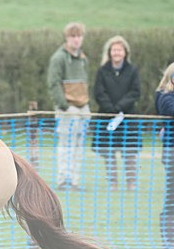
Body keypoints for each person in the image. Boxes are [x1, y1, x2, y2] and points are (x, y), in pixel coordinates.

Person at [91, 36, 142, 191]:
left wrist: (120, 107)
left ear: (125, 52)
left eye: (120, 50)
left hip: (128, 118)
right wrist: (111, 109)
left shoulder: (132, 71)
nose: (117, 53)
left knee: (130, 152)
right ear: (110, 52)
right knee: (109, 152)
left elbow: (135, 92)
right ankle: (113, 182)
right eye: (114, 50)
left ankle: (131, 182)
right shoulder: (102, 71)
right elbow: (99, 92)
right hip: (107, 118)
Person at [48, 22, 90, 191]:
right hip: (67, 108)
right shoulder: (59, 57)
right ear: (67, 38)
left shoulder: (83, 58)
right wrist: (64, 106)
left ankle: (74, 181)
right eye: (73, 36)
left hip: (83, 108)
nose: (76, 39)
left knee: (79, 145)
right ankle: (63, 180)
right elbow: (53, 83)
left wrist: (85, 105)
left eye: (79, 36)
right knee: (66, 144)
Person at [155, 62, 174, 249]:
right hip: (171, 152)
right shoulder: (164, 97)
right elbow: (170, 110)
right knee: (171, 198)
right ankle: (168, 241)